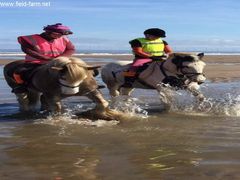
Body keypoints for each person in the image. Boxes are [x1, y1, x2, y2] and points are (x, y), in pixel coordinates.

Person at [12, 23, 75, 93]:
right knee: (18, 72)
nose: (59, 36)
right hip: (36, 63)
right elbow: (27, 50)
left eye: (61, 35)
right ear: (48, 32)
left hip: (59, 62)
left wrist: (60, 58)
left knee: (75, 69)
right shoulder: (30, 39)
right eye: (56, 34)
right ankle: (21, 86)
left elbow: (71, 49)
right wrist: (48, 59)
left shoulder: (63, 39)